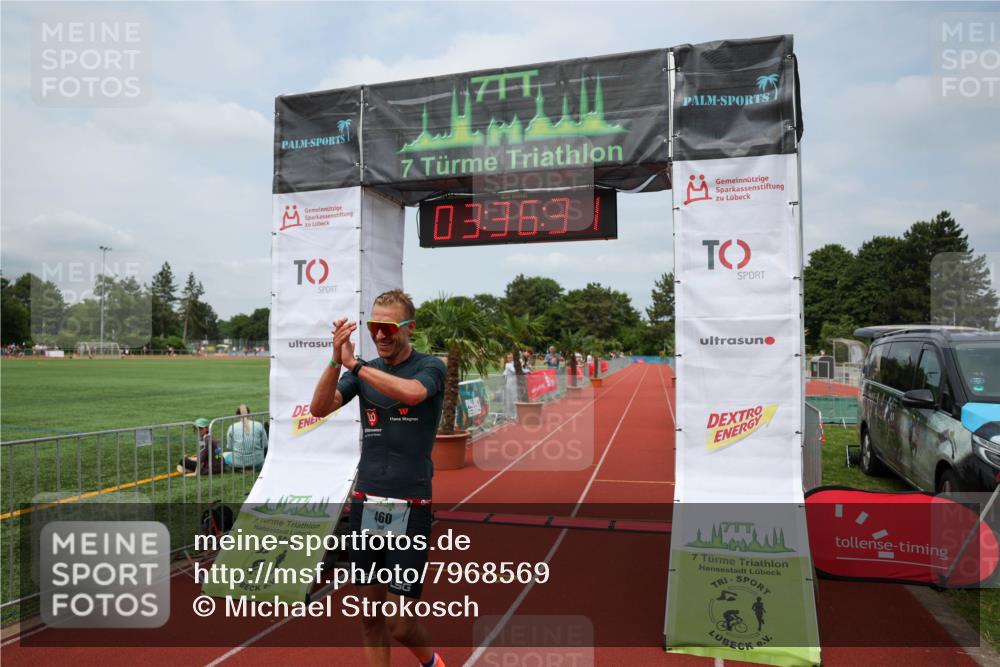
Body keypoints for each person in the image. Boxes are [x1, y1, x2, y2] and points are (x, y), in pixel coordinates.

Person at [310, 289, 446, 667]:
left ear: (409, 327)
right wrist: (336, 361)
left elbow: (414, 394)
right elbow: (319, 408)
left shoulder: (430, 367)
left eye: (388, 327)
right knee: (370, 616)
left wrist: (356, 367)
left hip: (410, 505)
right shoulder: (363, 371)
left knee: (400, 624)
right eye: (374, 327)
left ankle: (433, 663)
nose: (381, 335)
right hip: (367, 503)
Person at [223, 404, 268, 470]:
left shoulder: (232, 427)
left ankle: (241, 468)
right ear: (249, 414)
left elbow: (230, 447)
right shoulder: (259, 425)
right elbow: (265, 444)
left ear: (237, 415)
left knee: (223, 454)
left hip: (238, 463)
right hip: (257, 462)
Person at [502, 353, 517, 420]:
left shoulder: (514, 363)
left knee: (514, 398)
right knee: (508, 399)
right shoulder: (507, 364)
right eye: (508, 358)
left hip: (514, 383)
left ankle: (515, 414)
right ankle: (509, 414)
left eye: (511, 357)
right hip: (509, 384)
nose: (509, 359)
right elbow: (514, 371)